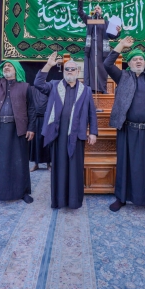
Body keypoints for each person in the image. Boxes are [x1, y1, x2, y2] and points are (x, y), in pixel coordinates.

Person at [104, 36, 145, 216]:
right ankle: (121, 198)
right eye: (135, 59)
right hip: (128, 130)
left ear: (144, 62)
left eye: (141, 59)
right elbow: (107, 64)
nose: (139, 61)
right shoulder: (123, 77)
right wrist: (121, 45)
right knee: (125, 165)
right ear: (129, 63)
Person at [35, 52, 98, 209]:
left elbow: (91, 112)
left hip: (77, 135)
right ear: (64, 71)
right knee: (59, 168)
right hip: (58, 134)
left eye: (72, 69)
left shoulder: (86, 90)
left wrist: (93, 132)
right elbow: (38, 83)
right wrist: (48, 65)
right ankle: (59, 200)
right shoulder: (54, 85)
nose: (69, 71)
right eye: (67, 69)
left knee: (75, 168)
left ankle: (74, 201)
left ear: (78, 71)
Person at [0, 43, 36, 204]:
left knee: (19, 162)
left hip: (18, 129)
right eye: (5, 66)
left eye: (10, 65)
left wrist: (31, 128)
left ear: (17, 70)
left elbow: (31, 109)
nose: (7, 67)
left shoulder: (25, 87)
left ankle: (23, 192)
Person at [78, 0, 121, 93]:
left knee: (102, 70)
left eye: (99, 8)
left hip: (103, 52)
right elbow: (80, 12)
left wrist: (118, 32)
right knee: (91, 69)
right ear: (93, 11)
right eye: (95, 8)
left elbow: (112, 36)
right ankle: (91, 90)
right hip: (91, 51)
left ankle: (102, 89)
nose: (97, 9)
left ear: (101, 12)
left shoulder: (106, 23)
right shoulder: (89, 20)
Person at [29, 85, 51, 172]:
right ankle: (36, 164)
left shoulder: (48, 89)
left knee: (47, 142)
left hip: (46, 119)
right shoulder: (32, 89)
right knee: (35, 142)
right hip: (35, 119)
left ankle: (48, 164)